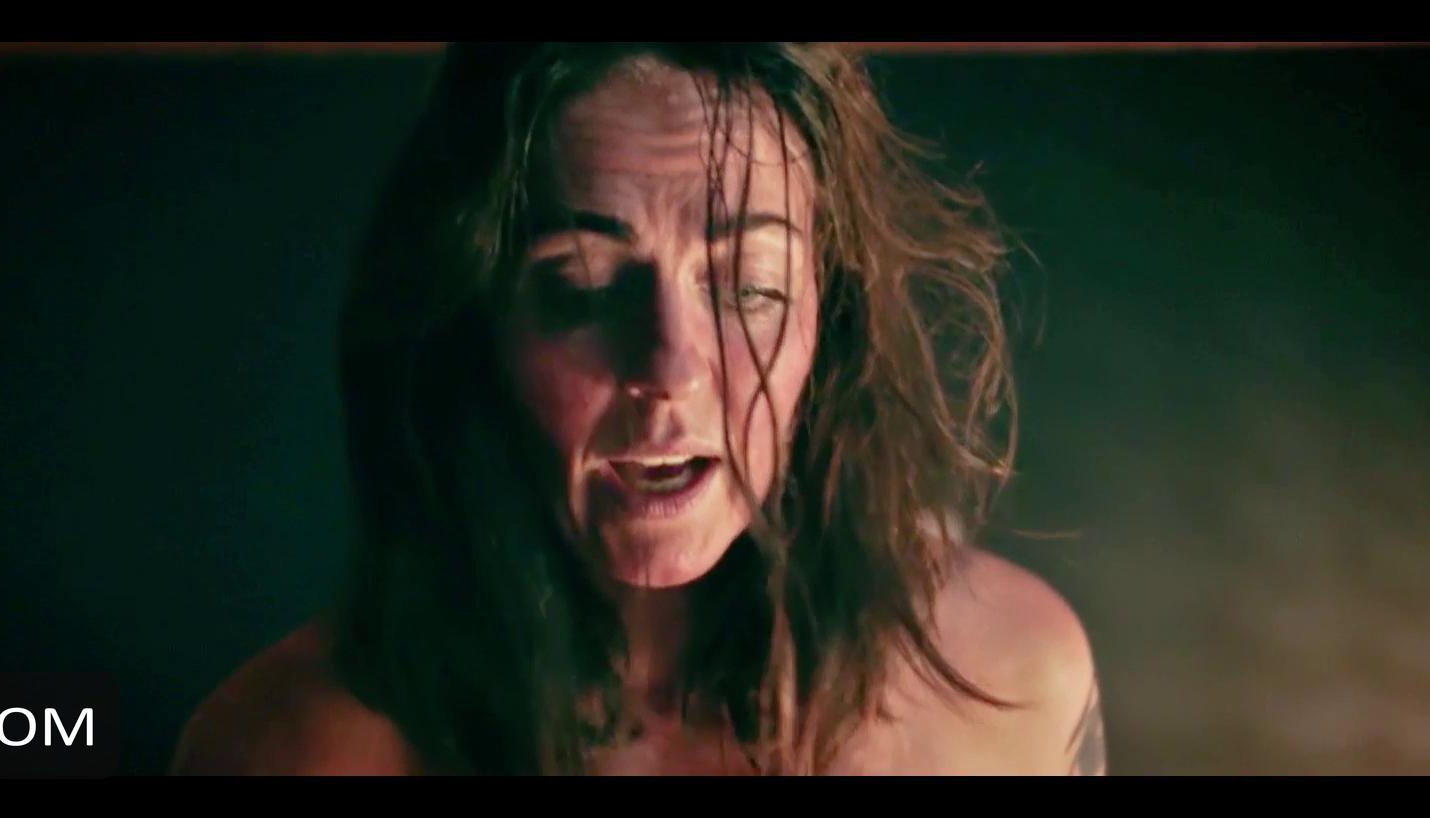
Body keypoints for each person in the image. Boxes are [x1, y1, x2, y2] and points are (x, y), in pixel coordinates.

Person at [174, 42, 1105, 776]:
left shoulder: (1010, 681)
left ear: (831, 322)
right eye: (582, 285)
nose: (670, 369)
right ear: (474, 322)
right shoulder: (286, 746)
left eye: (751, 287)